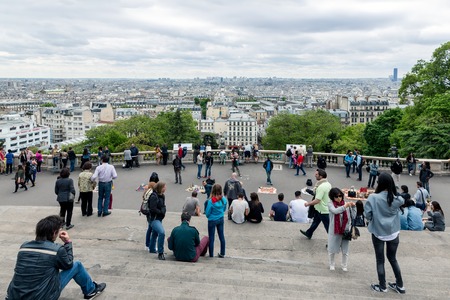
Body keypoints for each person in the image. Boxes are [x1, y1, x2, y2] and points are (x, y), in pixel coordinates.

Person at [6, 215, 106, 300]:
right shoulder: (56, 250)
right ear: (54, 233)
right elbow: (68, 264)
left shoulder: (24, 246)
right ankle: (91, 291)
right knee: (77, 265)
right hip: (43, 296)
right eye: (58, 231)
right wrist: (67, 242)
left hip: (14, 296)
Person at [364, 172, 405, 294]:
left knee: (380, 260)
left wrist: (373, 219)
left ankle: (382, 286)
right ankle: (400, 285)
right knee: (393, 258)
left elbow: (368, 215)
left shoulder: (373, 198)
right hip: (393, 232)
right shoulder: (397, 199)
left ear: (379, 183)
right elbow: (402, 200)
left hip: (378, 232)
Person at [327, 187, 356, 271]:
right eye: (336, 197)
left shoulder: (346, 204)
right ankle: (332, 264)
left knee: (345, 250)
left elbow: (353, 216)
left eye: (340, 196)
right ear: (332, 197)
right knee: (332, 249)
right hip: (334, 230)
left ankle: (344, 265)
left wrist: (353, 207)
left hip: (345, 230)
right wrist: (344, 206)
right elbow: (335, 211)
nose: (339, 198)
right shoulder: (330, 204)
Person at [300, 169, 332, 240]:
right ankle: (309, 233)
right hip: (320, 208)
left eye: (316, 174)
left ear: (321, 176)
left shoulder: (321, 187)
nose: (315, 175)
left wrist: (308, 204)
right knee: (316, 222)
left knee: (328, 227)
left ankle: (333, 242)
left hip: (323, 210)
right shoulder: (328, 184)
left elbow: (317, 200)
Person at [205, 183, 227, 258]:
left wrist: (209, 216)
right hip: (220, 218)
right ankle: (222, 253)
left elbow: (207, 213)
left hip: (212, 220)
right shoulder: (223, 199)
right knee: (221, 236)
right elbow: (224, 209)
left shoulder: (211, 201)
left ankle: (211, 254)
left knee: (211, 238)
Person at [149, 181, 167, 260]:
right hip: (154, 219)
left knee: (155, 234)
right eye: (164, 187)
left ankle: (152, 249)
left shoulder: (162, 196)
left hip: (159, 218)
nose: (165, 188)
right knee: (161, 232)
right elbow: (152, 208)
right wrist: (161, 212)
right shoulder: (154, 196)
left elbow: (162, 205)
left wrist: (163, 210)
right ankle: (160, 252)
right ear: (161, 188)